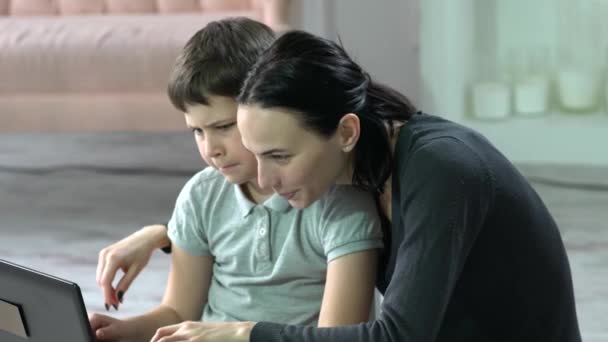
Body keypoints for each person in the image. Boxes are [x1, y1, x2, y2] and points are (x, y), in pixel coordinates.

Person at [145, 30, 581, 341]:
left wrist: (245, 333)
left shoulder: (441, 168)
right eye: (257, 155)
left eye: (280, 156)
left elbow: (397, 336)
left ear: (346, 132)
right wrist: (163, 236)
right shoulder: (363, 169)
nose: (263, 179)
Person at [89, 20, 384, 342]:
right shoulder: (202, 194)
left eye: (224, 126)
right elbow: (178, 312)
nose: (210, 149)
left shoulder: (339, 206)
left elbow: (336, 337)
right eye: (197, 131)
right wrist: (119, 330)